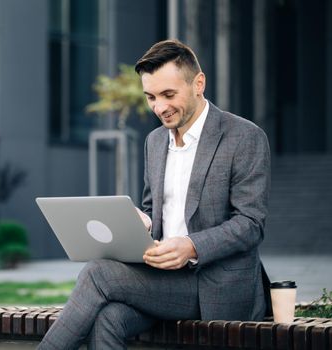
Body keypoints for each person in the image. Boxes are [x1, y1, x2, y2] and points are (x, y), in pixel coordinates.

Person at [38, 39, 271, 349]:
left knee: (98, 273)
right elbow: (154, 210)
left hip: (216, 285)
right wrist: (142, 223)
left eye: (168, 95)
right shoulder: (155, 142)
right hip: (164, 280)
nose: (159, 107)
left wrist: (191, 246)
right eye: (151, 97)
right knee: (109, 317)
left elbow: (251, 224)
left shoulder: (244, 137)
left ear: (198, 83)